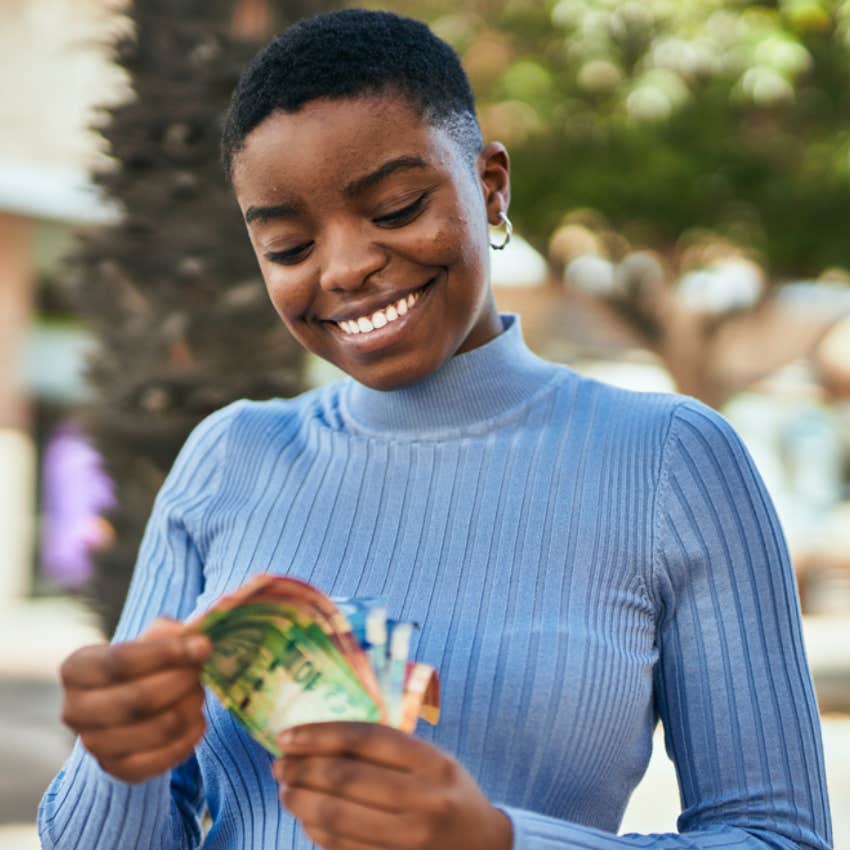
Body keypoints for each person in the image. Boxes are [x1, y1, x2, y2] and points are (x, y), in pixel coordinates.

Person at [39, 9, 832, 850]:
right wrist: (116, 758)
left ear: (491, 187)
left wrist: (496, 841)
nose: (345, 267)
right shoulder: (229, 458)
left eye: (396, 206)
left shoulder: (671, 460)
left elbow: (778, 836)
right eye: (289, 245)